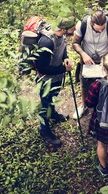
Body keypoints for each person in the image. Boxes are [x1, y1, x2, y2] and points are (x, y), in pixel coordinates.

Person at [36, 17, 76, 147]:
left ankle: (53, 114)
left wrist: (66, 58)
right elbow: (42, 67)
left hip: (56, 76)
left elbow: (62, 48)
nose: (74, 29)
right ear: (64, 29)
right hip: (46, 80)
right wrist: (63, 69)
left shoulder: (61, 35)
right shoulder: (46, 42)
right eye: (72, 28)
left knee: (52, 97)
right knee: (44, 104)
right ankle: (44, 130)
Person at [72, 10, 108, 119]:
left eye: (102, 29)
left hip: (105, 58)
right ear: (91, 24)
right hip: (87, 59)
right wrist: (83, 54)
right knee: (85, 83)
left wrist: (107, 58)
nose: (101, 31)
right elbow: (75, 43)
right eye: (98, 29)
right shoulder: (82, 24)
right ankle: (84, 105)